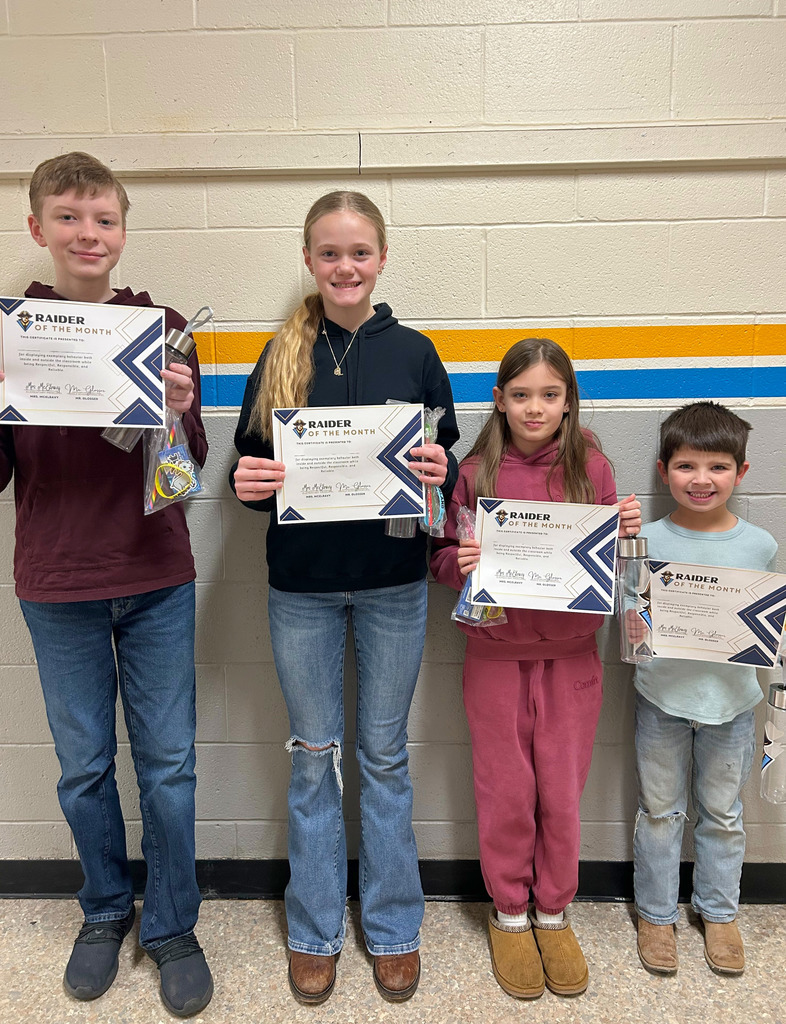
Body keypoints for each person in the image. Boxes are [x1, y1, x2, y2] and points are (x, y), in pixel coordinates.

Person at [231, 190, 459, 1005]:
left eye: (359, 252)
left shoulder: (417, 353)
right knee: (313, 758)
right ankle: (314, 930)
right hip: (302, 588)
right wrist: (247, 485)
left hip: (395, 585)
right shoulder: (280, 353)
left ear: (382, 258)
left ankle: (393, 927)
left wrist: (441, 473)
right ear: (309, 260)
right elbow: (248, 471)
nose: (345, 266)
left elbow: (445, 472)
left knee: (385, 758)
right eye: (329, 253)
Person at [0, 153, 212, 1017]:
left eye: (104, 220)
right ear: (37, 228)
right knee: (84, 768)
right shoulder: (10, 332)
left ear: (123, 231)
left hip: (156, 576)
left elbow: (188, 472)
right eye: (68, 217)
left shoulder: (165, 327)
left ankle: (172, 925)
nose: (88, 234)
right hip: (56, 585)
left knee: (169, 767)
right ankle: (103, 910)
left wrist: (178, 412)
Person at [430, 338, 640, 1001]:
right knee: (506, 789)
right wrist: (457, 562)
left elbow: (615, 571)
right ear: (499, 400)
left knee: (561, 789)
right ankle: (510, 913)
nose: (535, 408)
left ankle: (553, 910)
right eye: (520, 395)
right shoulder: (474, 474)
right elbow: (439, 557)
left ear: (569, 401)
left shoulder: (593, 471)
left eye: (550, 395)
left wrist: (626, 534)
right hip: (494, 658)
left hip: (572, 658)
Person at [630, 402, 776, 978]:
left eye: (718, 467)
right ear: (664, 470)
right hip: (661, 699)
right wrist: (635, 622)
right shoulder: (643, 539)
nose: (701, 479)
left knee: (723, 814)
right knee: (659, 812)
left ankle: (718, 913)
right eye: (686, 465)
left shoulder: (760, 546)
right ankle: (656, 914)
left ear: (741, 472)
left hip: (733, 704)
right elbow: (632, 612)